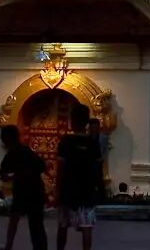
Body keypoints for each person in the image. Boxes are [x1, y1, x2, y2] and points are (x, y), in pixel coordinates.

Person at [56, 107, 105, 250]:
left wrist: (57, 189)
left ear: (72, 121)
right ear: (86, 123)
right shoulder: (92, 143)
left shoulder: (66, 141)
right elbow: (97, 168)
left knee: (63, 225)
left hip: (67, 189)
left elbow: (60, 167)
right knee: (87, 227)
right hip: (87, 190)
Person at [0, 125, 49, 250]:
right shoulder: (28, 152)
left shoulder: (11, 155)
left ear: (7, 140)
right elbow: (43, 166)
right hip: (36, 191)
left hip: (23, 192)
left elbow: (4, 174)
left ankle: (8, 246)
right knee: (36, 225)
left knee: (14, 221)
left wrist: (13, 176)